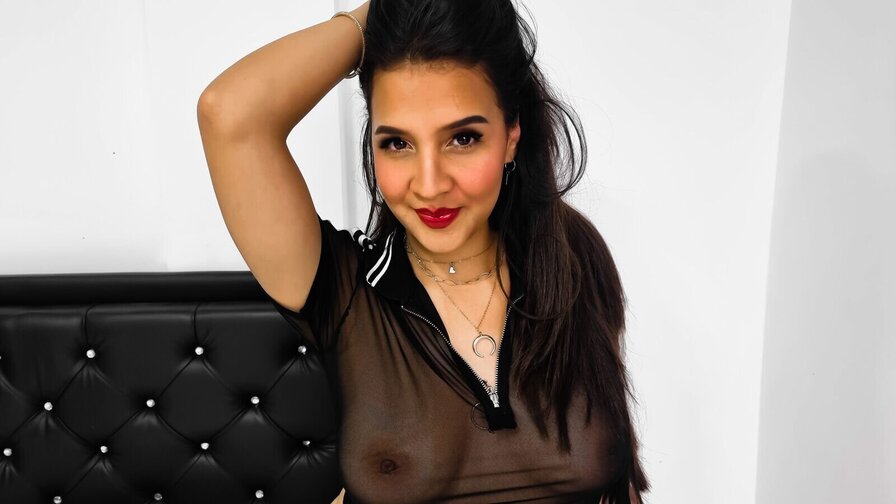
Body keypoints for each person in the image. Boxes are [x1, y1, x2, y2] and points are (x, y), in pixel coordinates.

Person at [197, 0, 649, 502]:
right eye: (398, 143)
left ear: (511, 136)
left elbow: (617, 482)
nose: (430, 185)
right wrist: (382, 11)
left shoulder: (573, 255)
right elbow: (229, 113)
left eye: (463, 138)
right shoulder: (342, 292)